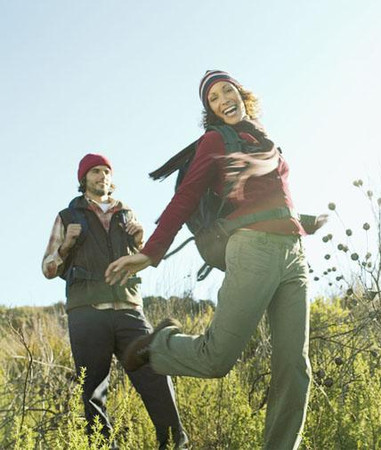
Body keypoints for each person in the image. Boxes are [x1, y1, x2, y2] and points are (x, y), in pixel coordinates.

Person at [105, 70, 325, 450]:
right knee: (216, 358)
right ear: (210, 110)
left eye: (228, 90)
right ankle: (156, 347)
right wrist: (150, 252)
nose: (224, 98)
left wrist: (304, 221)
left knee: (295, 369)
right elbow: (186, 197)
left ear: (241, 93)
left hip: (293, 254)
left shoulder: (264, 138)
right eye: (214, 98)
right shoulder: (215, 140)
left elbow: (271, 197)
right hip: (252, 248)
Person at [42, 153, 188, 449]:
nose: (102, 176)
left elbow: (143, 257)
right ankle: (102, 446)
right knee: (93, 388)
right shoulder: (67, 217)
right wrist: (67, 244)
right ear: (83, 179)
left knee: (155, 371)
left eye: (106, 171)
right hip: (87, 312)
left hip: (128, 308)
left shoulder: (127, 214)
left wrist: (141, 240)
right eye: (95, 171)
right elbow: (48, 268)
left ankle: (174, 443)